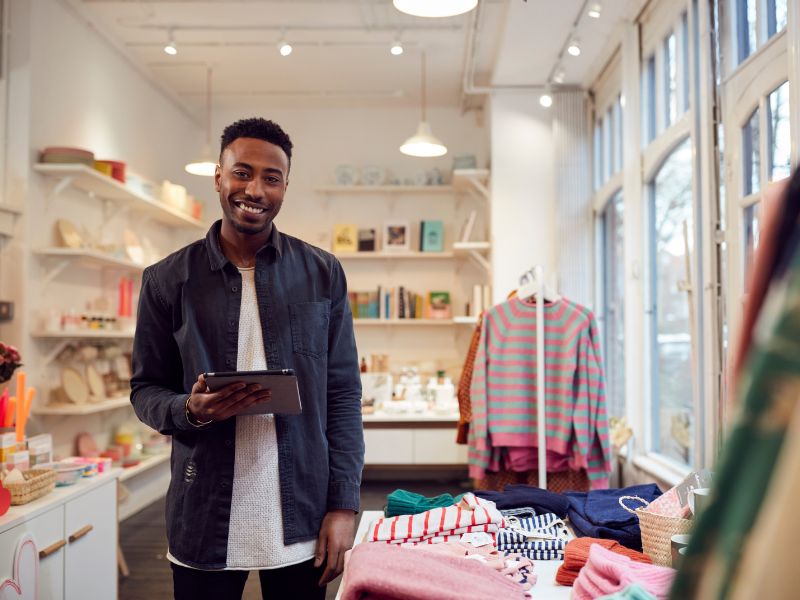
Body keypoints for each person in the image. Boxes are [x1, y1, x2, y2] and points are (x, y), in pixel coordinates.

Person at [130, 117, 364, 599]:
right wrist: (187, 410)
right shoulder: (167, 280)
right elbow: (145, 389)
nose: (254, 189)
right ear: (219, 176)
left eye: (271, 178)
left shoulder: (322, 273)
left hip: (303, 514)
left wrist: (344, 507)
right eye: (242, 172)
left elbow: (342, 395)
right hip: (203, 513)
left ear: (285, 186)